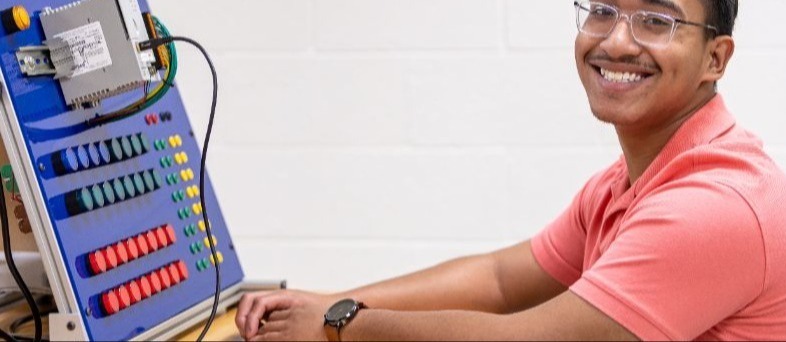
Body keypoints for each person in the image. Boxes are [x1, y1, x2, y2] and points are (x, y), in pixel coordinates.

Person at [235, 0, 786, 340]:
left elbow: (524, 337)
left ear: (715, 58)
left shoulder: (715, 204)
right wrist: (326, 300)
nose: (617, 40)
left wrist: (340, 326)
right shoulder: (625, 183)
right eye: (602, 10)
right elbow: (500, 281)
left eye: (656, 19)